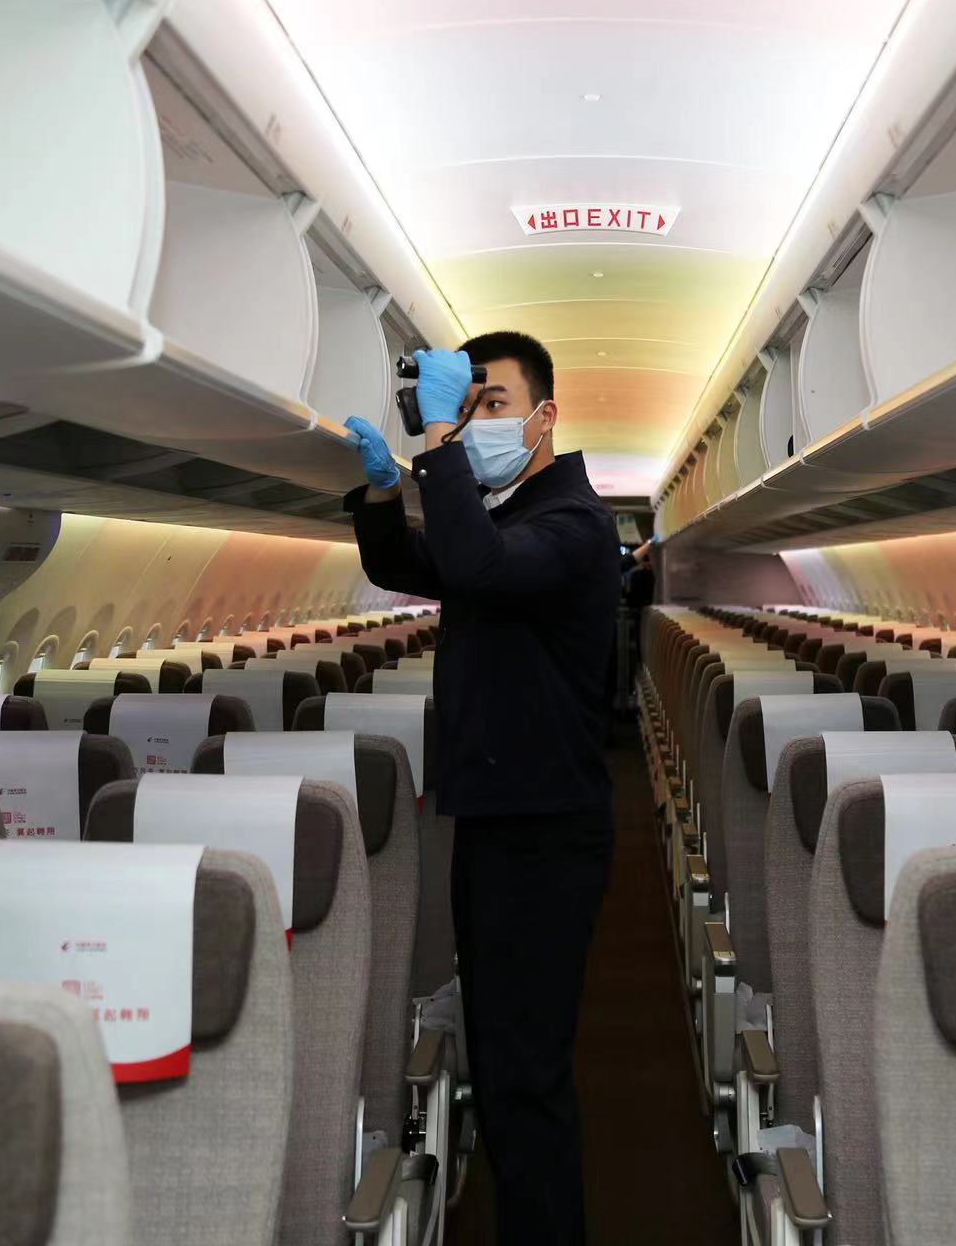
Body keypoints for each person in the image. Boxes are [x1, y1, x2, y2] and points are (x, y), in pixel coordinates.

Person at [341, 332, 619, 1246]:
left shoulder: (574, 523)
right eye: (467, 407)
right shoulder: (503, 515)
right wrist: (386, 491)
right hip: (501, 820)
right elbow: (404, 565)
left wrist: (436, 445)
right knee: (502, 1064)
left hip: (544, 832)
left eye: (492, 405)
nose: (474, 423)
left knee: (524, 1075)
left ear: (546, 417)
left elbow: (479, 568)